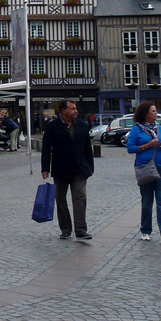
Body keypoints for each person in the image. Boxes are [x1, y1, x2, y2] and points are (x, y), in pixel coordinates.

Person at [41, 99, 94, 241]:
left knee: (80, 197)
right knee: (61, 199)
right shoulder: (52, 126)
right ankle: (65, 229)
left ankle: (81, 230)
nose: (75, 111)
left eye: (75, 108)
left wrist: (90, 167)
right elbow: (46, 149)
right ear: (63, 111)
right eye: (72, 108)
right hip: (60, 169)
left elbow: (87, 148)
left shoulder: (83, 125)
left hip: (79, 169)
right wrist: (45, 168)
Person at [127, 102, 161, 245]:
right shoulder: (137, 130)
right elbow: (130, 148)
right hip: (145, 168)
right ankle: (146, 231)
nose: (156, 113)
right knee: (147, 202)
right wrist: (146, 146)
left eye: (156, 111)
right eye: (153, 111)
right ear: (145, 114)